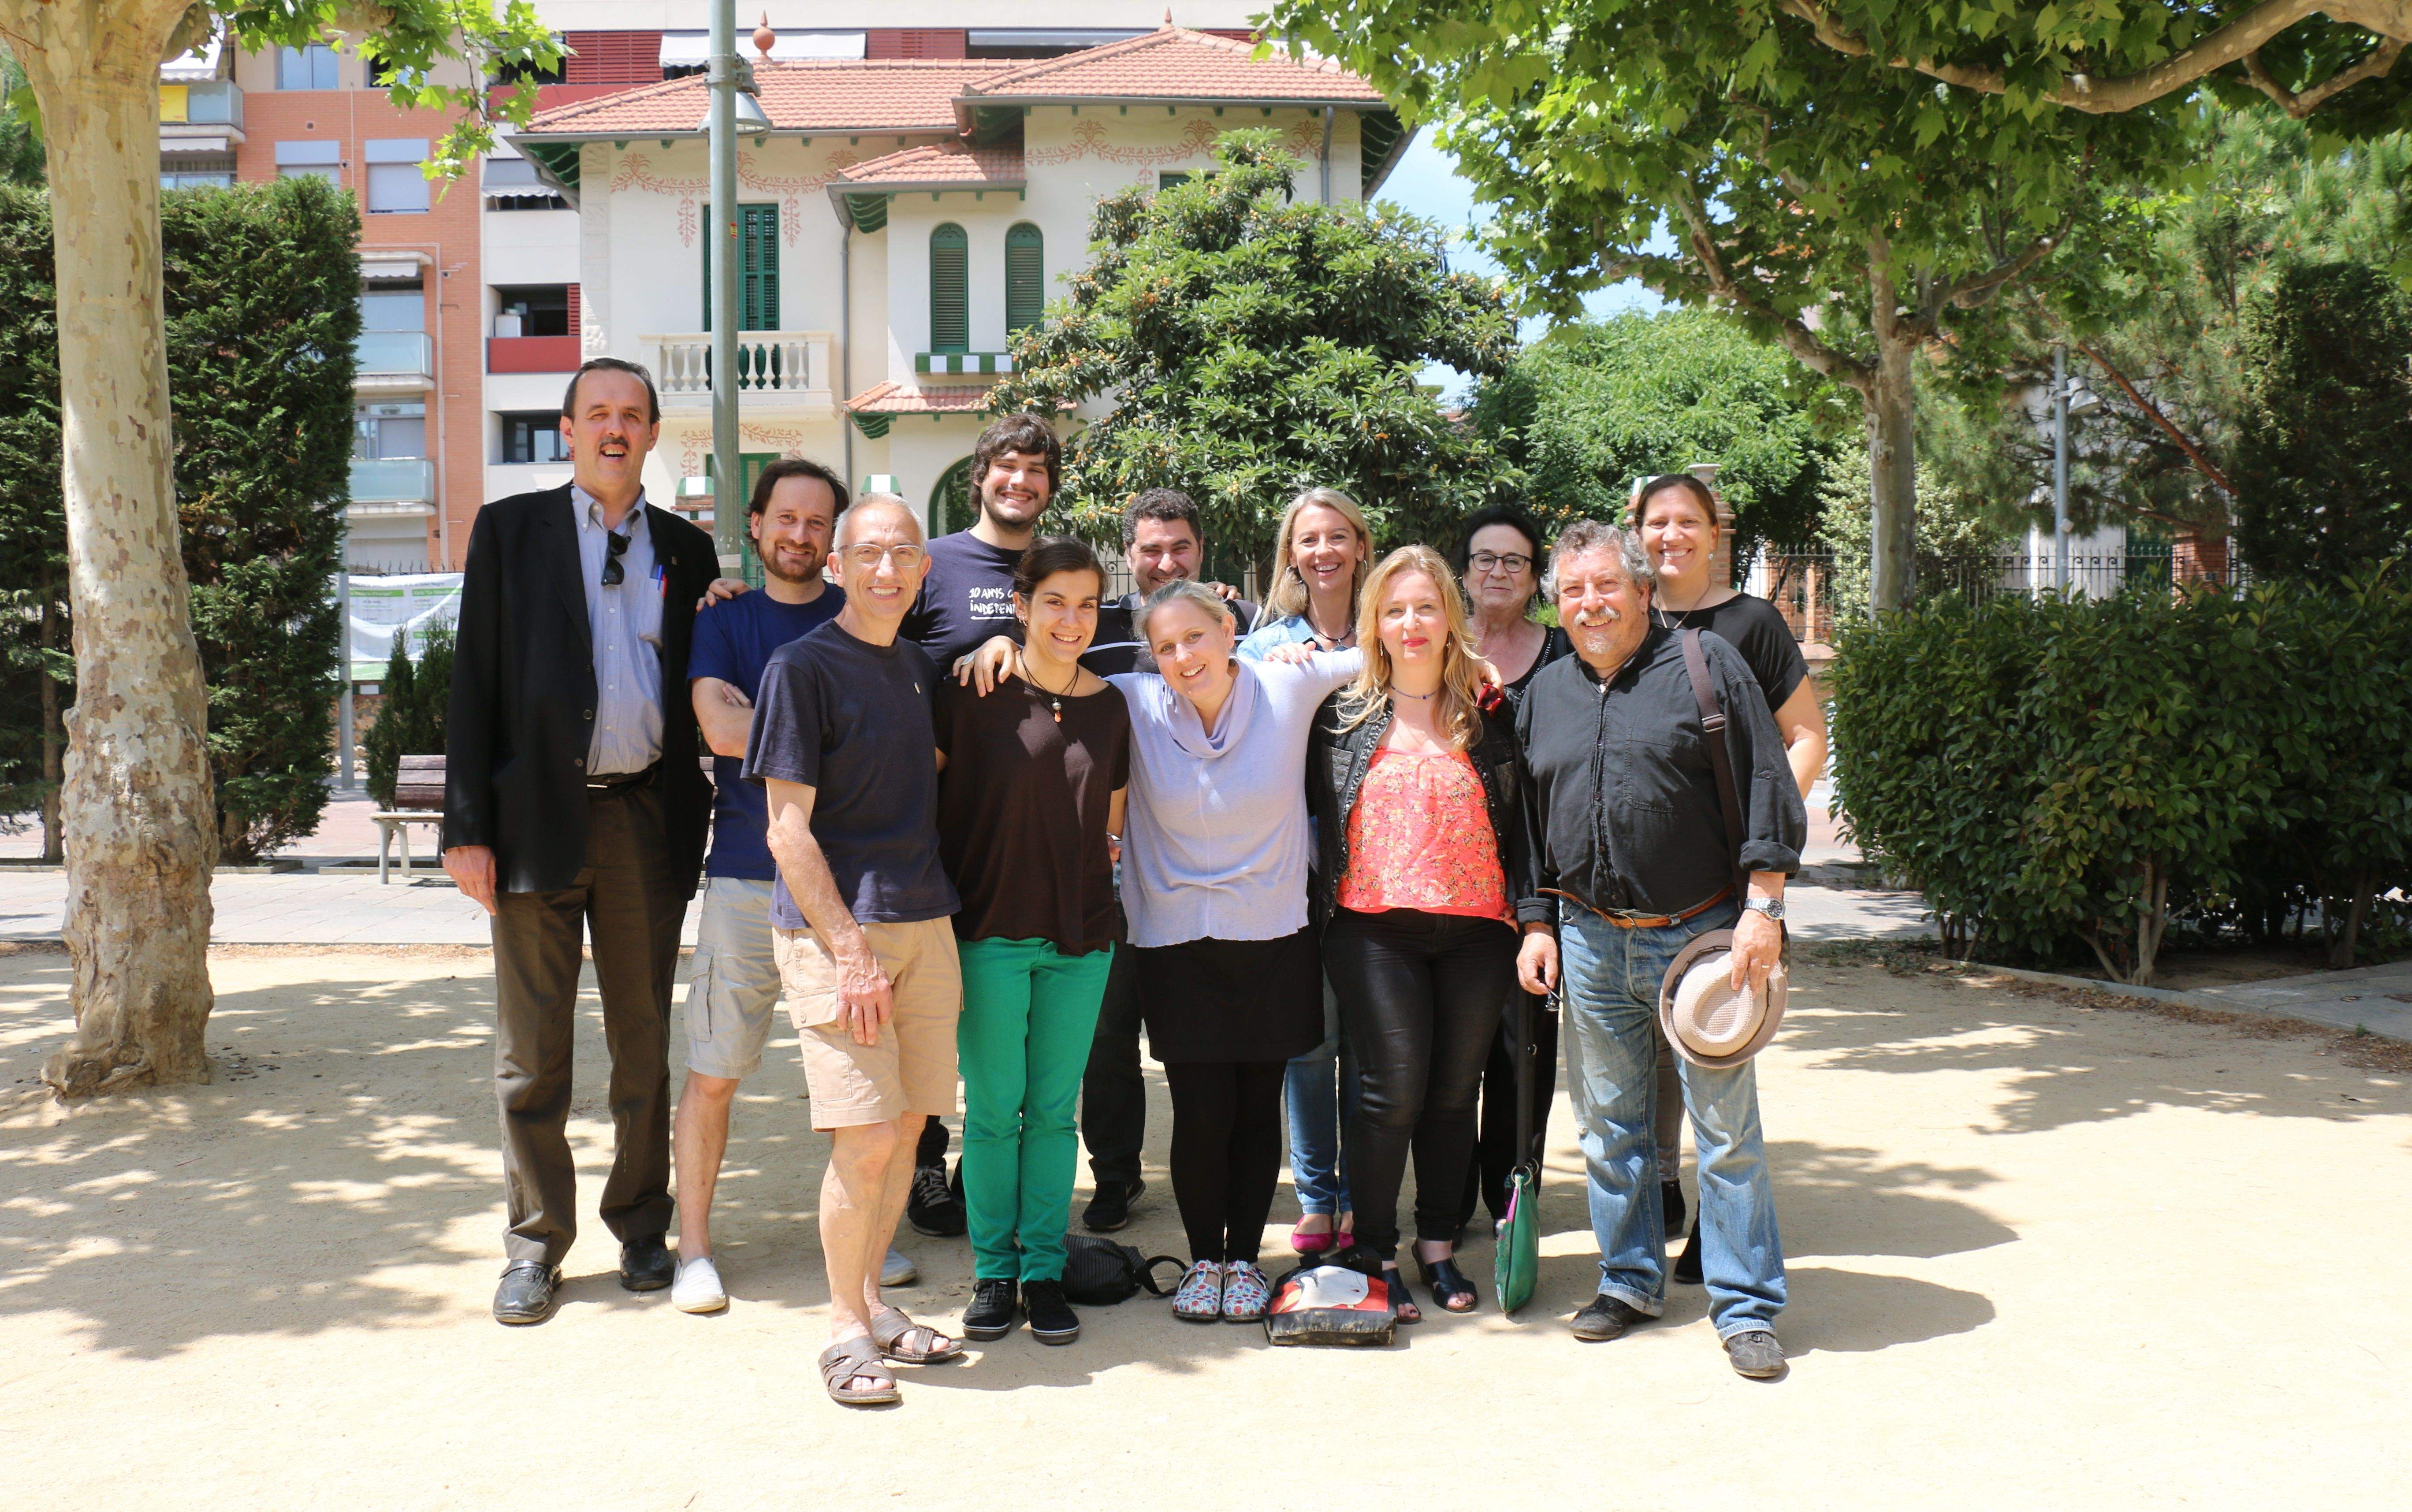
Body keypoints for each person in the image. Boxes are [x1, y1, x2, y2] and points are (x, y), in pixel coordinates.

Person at [443, 357, 721, 1326]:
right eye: (597, 413)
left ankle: (642, 1228)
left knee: (643, 1048)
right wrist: (466, 828)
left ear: (652, 434)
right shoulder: (510, 531)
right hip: (533, 823)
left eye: (631, 415)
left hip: (646, 821)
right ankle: (535, 1245)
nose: (614, 428)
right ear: (567, 431)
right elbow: (473, 681)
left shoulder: (687, 550)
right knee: (532, 1055)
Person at [1514, 520, 1806, 1379]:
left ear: (1643, 591)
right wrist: (1536, 922)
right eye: (1573, 591)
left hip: (1704, 942)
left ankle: (1745, 1306)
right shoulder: (1546, 693)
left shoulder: (1708, 667)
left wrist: (1764, 909)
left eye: (1607, 586)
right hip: (1589, 940)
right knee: (1610, 1128)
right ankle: (1630, 1280)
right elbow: (1526, 823)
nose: (1590, 604)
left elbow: (1769, 783)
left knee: (1726, 1133)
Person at [666, 457, 931, 1312]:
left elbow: (902, 735)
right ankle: (694, 1250)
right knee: (714, 1072)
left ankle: (867, 1251)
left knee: (869, 1091)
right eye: (786, 517)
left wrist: (800, 735)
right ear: (755, 525)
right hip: (748, 877)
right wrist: (834, 738)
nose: (800, 534)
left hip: (849, 896)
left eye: (818, 522)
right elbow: (717, 726)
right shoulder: (727, 617)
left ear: (835, 543)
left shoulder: (867, 611)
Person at [747, 493, 968, 1407]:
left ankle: (875, 1305)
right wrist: (850, 952)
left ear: (924, 571)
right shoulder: (800, 668)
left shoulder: (917, 667)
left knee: (909, 1130)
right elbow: (786, 830)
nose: (887, 569)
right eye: (868, 553)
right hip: (839, 936)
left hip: (926, 921)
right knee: (867, 1138)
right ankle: (843, 1330)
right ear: (836, 566)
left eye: (903, 554)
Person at [1113, 581, 1360, 1321]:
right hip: (1176, 939)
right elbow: (1049, 675)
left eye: (1195, 636)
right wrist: (998, 645)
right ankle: (1204, 1262)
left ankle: (1245, 1262)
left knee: (1256, 1108)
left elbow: (1386, 652)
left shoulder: (1286, 682)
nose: (1183, 657)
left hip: (1274, 933)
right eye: (1165, 646)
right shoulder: (1135, 701)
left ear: (1228, 630)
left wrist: (1476, 657)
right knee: (1200, 1110)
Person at [1308, 546, 1527, 1322]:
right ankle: (1373, 1251)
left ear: (1450, 619)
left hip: (1479, 932)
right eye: (1395, 609)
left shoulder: (1489, 712)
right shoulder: (1340, 716)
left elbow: (1525, 821)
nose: (1411, 623)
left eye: (1426, 607)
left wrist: (1534, 916)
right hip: (1374, 931)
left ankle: (1437, 1244)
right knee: (1390, 1090)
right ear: (1374, 622)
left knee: (1453, 1094)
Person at [1632, 472, 1830, 1279]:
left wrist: (1763, 832)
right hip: (1645, 885)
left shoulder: (1752, 623)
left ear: (1715, 534)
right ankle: (1662, 1191)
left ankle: (1718, 1229)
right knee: (1651, 1049)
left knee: (1716, 1041)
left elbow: (1807, 736)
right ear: (1637, 533)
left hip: (1731, 884)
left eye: (1689, 521)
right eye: (1657, 521)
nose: (1671, 535)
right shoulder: (1622, 617)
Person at [938, 538, 1131, 1345]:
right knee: (992, 1114)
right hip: (988, 929)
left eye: (1086, 604)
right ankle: (994, 1272)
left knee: (1054, 1115)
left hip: (1082, 938)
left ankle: (1044, 1272)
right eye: (1054, 601)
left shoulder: (1111, 706)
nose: (1071, 619)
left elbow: (1112, 823)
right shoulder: (972, 689)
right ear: (1020, 606)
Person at [895, 412, 1064, 1237]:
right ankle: (924, 1163)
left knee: (1012, 1010)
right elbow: (872, 644)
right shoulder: (934, 565)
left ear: (1050, 487)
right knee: (934, 1005)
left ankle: (984, 1168)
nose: (1020, 481)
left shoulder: (1055, 569)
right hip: (934, 823)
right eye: (1007, 466)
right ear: (981, 477)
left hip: (1026, 828)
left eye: (1036, 469)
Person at [1073, 488, 1257, 1233]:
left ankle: (1216, 1174)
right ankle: (1116, 1175)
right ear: (1129, 555)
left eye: (1180, 546)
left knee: (1203, 1042)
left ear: (1201, 551)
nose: (1166, 561)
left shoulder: (1239, 629)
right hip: (1113, 876)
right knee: (1107, 1038)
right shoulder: (1094, 634)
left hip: (1207, 876)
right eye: (1151, 549)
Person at [1239, 486, 1375, 1255]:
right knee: (1310, 1042)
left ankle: (1365, 1195)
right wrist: (1274, 672)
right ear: (1291, 554)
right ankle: (1320, 1199)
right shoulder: (1266, 646)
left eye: (1336, 536)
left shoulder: (1389, 629)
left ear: (1360, 545)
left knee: (1370, 1042)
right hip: (1298, 869)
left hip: (1382, 863)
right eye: (1308, 539)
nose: (1323, 551)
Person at [1451, 505, 1574, 1238]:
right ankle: (1445, 1199)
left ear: (1535, 578)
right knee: (1448, 1053)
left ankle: (1511, 1200)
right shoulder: (1435, 647)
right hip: (1448, 885)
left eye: (1515, 561)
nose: (1498, 572)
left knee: (1524, 1050)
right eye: (1485, 559)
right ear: (1464, 572)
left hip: (1537, 880)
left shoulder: (1564, 655)